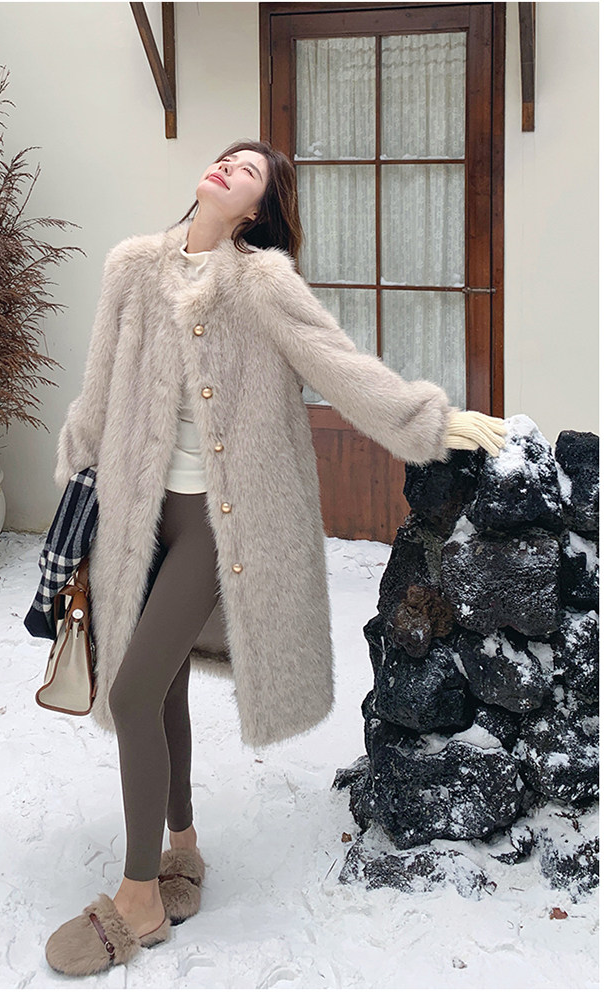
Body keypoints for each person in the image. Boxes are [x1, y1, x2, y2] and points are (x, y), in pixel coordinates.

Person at [44, 140, 507, 976]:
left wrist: (429, 422)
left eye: (249, 171)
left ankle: (139, 898)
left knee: (132, 689)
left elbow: (339, 363)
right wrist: (76, 481)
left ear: (257, 211)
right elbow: (100, 386)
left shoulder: (263, 284)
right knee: (163, 686)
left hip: (220, 527)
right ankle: (182, 848)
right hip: (136, 517)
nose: (228, 168)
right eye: (227, 158)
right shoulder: (132, 269)